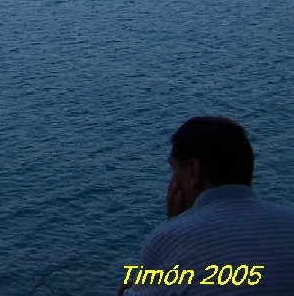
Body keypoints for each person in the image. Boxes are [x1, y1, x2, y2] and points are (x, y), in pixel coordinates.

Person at [119, 116, 294, 294]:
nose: (172, 180)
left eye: (174, 169)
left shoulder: (167, 240)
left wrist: (175, 224)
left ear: (194, 171)